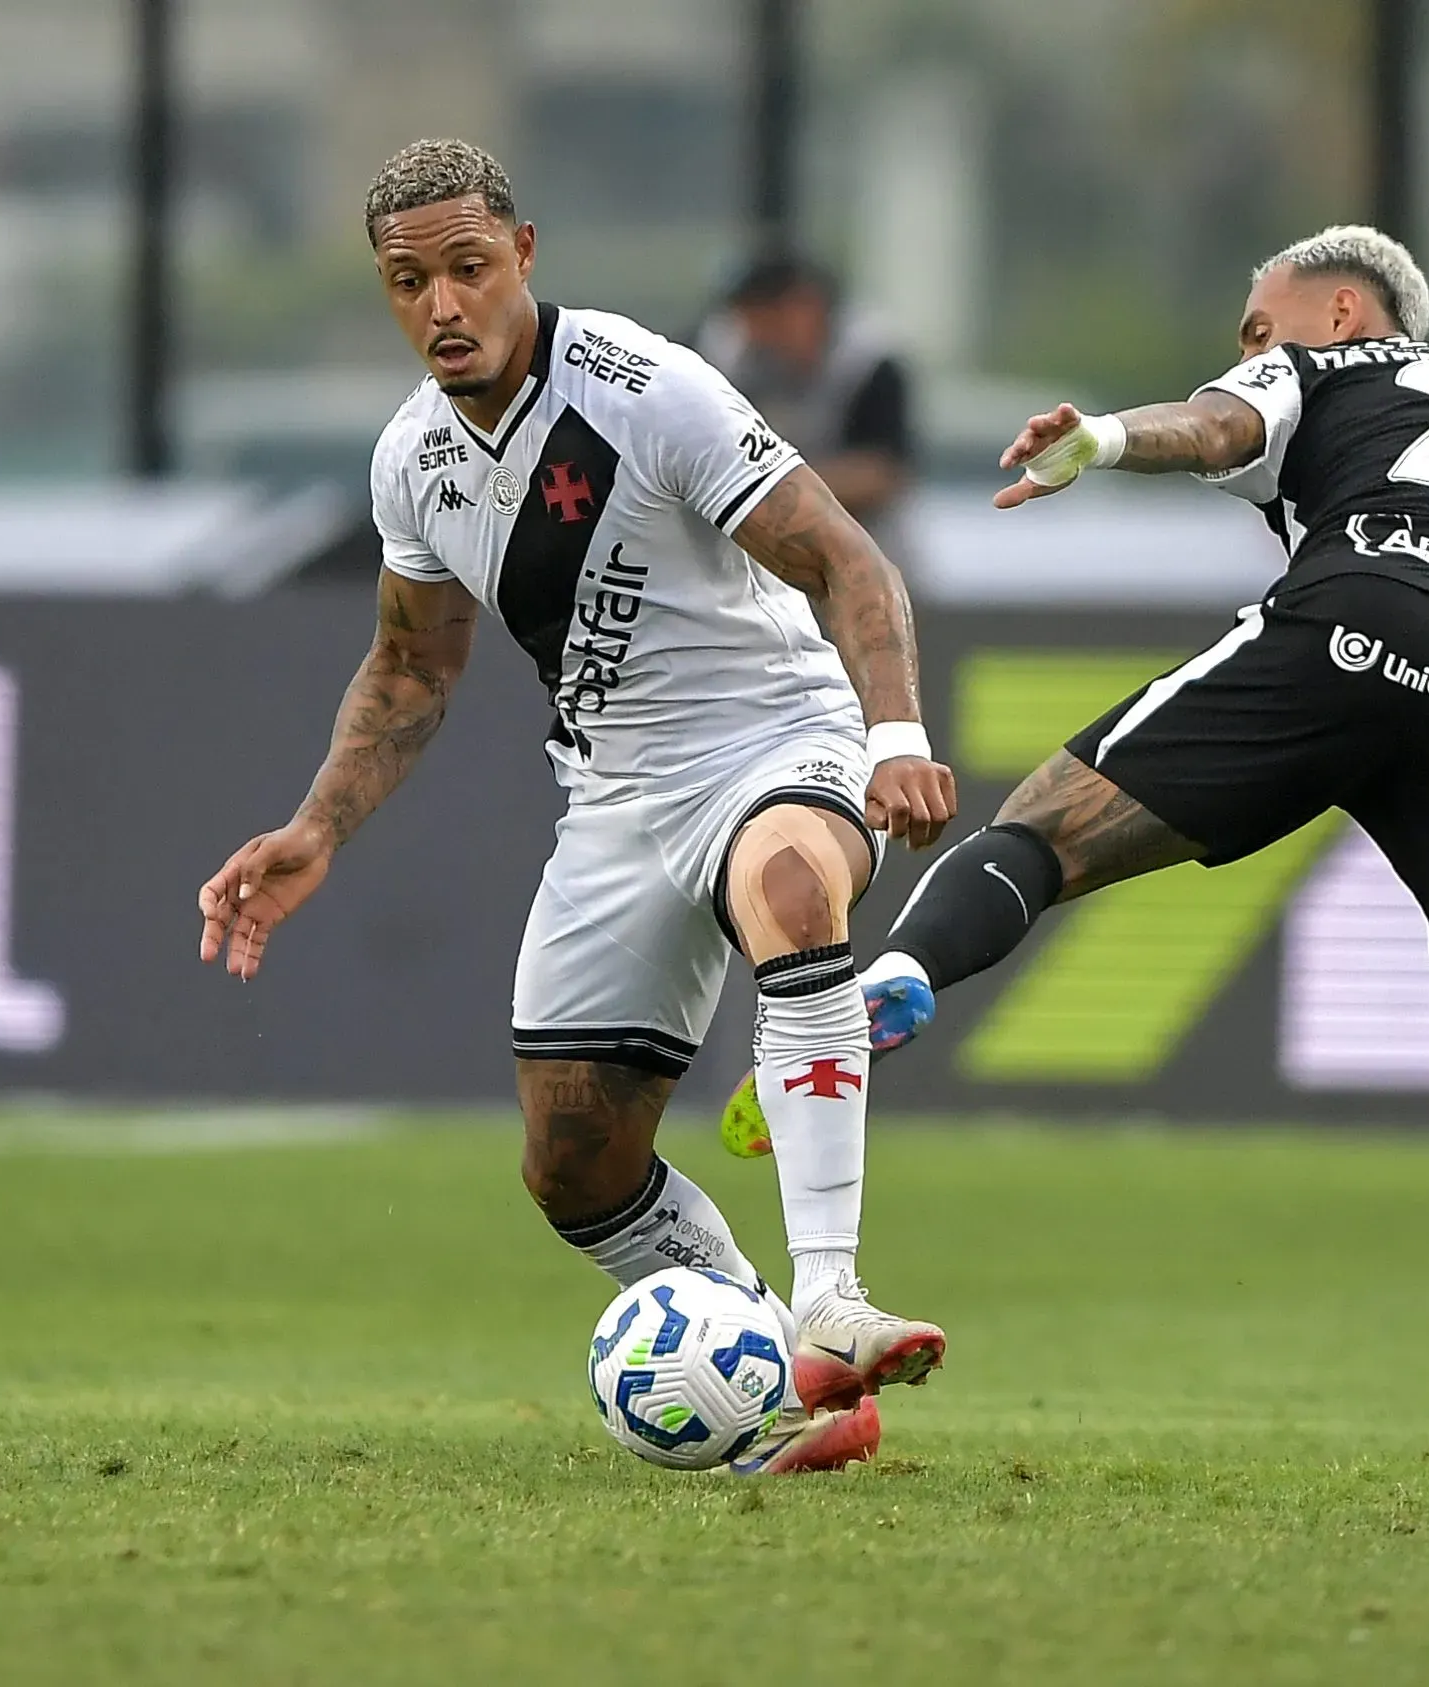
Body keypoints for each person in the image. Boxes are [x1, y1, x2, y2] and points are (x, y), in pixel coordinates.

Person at [750, 224, 1429, 1480]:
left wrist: (1105, 442)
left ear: (1345, 307)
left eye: (1262, 321)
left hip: (1345, 632)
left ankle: (894, 980)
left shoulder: (1327, 369)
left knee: (1041, 829)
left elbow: (1214, 428)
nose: (1247, 345)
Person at [195, 139, 959, 1476]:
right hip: (613, 792)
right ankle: (783, 1382)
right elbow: (413, 661)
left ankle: (831, 1291)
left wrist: (894, 734)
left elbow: (847, 559)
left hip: (775, 733)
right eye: (407, 280)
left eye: (469, 268)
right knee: (573, 1160)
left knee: (790, 884)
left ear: (525, 255)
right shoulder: (412, 464)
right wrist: (319, 825)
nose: (442, 305)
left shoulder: (647, 390)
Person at [699, 255, 916, 548]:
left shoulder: (867, 360)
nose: (757, 329)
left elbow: (883, 473)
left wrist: (770, 484)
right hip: (749, 550)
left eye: (770, 311)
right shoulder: (720, 352)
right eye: (748, 313)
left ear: (808, 305)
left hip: (863, 541)